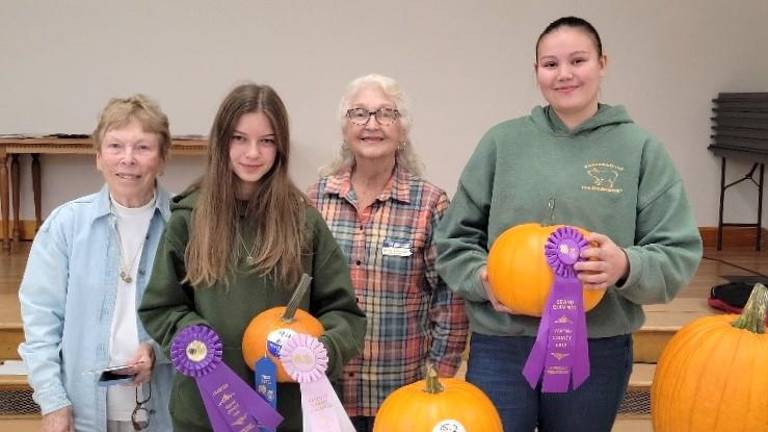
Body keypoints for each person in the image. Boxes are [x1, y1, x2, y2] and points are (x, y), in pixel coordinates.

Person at [435, 16, 703, 432]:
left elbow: (678, 249)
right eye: (550, 64)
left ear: (602, 63)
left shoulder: (641, 149)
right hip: (501, 343)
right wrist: (481, 278)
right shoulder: (501, 143)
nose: (564, 74)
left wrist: (625, 265)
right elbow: (454, 238)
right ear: (536, 71)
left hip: (597, 346)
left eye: (578, 60)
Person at [138, 83, 366, 432]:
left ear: (281, 147)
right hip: (205, 411)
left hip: (289, 413)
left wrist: (322, 350)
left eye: (267, 141)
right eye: (239, 138)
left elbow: (343, 313)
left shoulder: (304, 222)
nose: (252, 153)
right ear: (221, 142)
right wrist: (194, 339)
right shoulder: (188, 218)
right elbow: (161, 307)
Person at [307, 74, 469, 432]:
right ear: (345, 128)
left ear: (403, 129)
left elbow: (451, 301)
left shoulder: (430, 204)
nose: (371, 125)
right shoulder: (314, 201)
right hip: (325, 394)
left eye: (385, 114)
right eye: (359, 113)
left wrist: (436, 380)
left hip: (402, 397)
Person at [18, 95, 175, 432]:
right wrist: (53, 403)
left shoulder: (186, 225)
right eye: (116, 145)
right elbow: (41, 321)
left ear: (162, 159)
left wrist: (158, 351)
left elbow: (201, 314)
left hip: (168, 410)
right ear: (98, 157)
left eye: (143, 148)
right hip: (84, 413)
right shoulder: (66, 225)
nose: (128, 159)